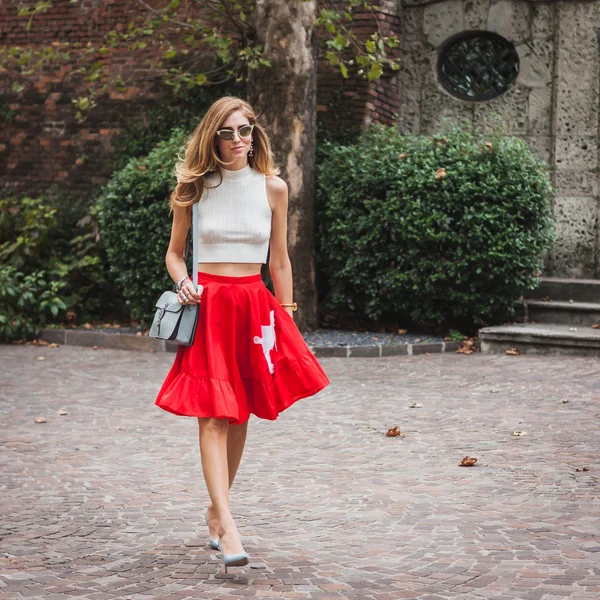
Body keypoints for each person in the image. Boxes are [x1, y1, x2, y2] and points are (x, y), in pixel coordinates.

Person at [154, 96, 331, 572]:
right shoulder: (195, 187)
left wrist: (287, 315)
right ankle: (229, 524)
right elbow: (174, 254)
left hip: (254, 306)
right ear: (212, 137)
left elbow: (279, 260)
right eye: (229, 132)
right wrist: (184, 281)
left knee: (239, 415)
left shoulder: (273, 188)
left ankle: (216, 509)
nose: (239, 140)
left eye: (246, 130)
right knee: (212, 415)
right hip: (209, 306)